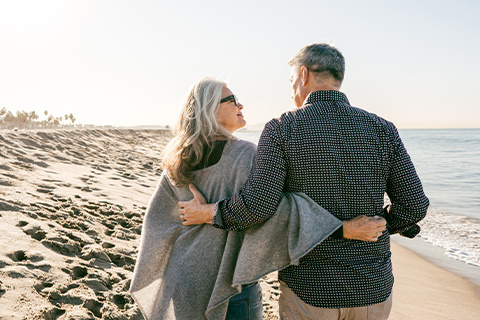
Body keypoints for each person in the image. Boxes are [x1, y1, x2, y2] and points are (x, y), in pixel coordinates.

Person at [180, 44, 429, 320]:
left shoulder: (281, 128)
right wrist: (382, 224)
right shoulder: (383, 129)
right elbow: (414, 206)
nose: (291, 91)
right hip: (371, 287)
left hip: (310, 287)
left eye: (291, 81)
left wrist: (209, 212)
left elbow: (258, 207)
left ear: (303, 74)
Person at [130, 77, 386, 320]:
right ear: (210, 110)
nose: (240, 104)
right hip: (229, 285)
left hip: (183, 278)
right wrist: (342, 228)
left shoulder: (177, 159)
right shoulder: (245, 155)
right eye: (231, 100)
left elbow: (157, 222)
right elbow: (276, 213)